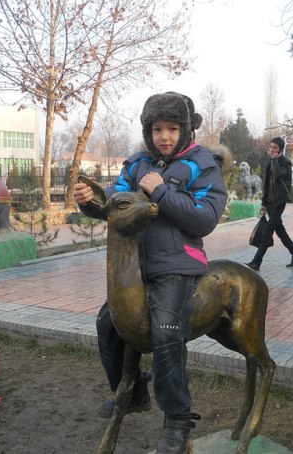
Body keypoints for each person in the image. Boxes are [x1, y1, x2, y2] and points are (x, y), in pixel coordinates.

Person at [73, 91, 227, 454]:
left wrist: (160, 193)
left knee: (165, 330)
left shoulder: (201, 164)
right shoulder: (138, 162)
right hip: (136, 268)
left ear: (186, 130)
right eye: (157, 129)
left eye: (173, 129)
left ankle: (176, 418)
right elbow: (116, 201)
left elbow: (204, 218)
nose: (165, 137)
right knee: (107, 324)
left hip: (177, 265)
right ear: (148, 131)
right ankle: (136, 392)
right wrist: (91, 201)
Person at [245, 137, 293, 271]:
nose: (272, 150)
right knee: (280, 230)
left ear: (281, 150)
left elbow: (277, 175)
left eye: (275, 147)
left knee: (267, 232)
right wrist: (264, 203)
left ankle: (256, 262)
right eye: (271, 147)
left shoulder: (285, 163)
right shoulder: (270, 161)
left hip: (279, 201)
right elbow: (266, 184)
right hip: (270, 202)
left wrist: (275, 159)